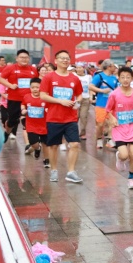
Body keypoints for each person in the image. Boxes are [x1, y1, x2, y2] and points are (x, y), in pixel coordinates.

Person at [39, 50, 84, 184]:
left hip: (70, 118)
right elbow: (43, 95)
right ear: (56, 61)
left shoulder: (74, 78)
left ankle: (71, 172)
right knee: (53, 146)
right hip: (54, 117)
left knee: (75, 144)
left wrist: (78, 102)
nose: (65, 60)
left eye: (67, 58)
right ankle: (54, 170)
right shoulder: (49, 77)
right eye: (62, 58)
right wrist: (60, 101)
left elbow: (79, 94)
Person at [106, 66, 133, 189]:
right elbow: (108, 110)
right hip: (119, 128)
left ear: (132, 78)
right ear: (118, 78)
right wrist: (112, 118)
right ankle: (119, 157)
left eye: (128, 77)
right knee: (125, 155)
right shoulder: (114, 94)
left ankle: (131, 178)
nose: (125, 80)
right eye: (122, 77)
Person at [0, 49, 37, 143]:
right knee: (12, 121)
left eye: (26, 57)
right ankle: (7, 132)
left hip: (29, 100)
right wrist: (10, 85)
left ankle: (31, 142)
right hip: (14, 99)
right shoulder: (10, 68)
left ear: (29, 59)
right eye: (21, 57)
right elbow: (0, 79)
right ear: (17, 58)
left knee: (28, 120)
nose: (24, 59)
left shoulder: (33, 70)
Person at [89, 60, 118, 149]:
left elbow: (116, 89)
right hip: (101, 104)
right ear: (109, 67)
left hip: (112, 105)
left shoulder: (114, 78)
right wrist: (102, 91)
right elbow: (91, 86)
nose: (115, 68)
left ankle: (109, 140)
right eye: (113, 66)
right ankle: (99, 139)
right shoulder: (99, 76)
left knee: (111, 123)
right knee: (100, 124)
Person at [20, 78, 48, 165]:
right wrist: (23, 110)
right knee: (33, 143)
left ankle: (46, 160)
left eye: (37, 87)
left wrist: (48, 110)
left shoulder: (45, 98)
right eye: (33, 87)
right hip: (31, 125)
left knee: (45, 144)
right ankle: (37, 148)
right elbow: (23, 105)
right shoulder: (27, 96)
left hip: (44, 125)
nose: (35, 89)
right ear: (30, 88)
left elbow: (51, 107)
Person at [75, 64, 92, 140]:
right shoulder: (74, 76)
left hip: (85, 98)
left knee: (83, 116)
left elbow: (91, 87)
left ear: (83, 68)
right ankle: (73, 133)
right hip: (76, 99)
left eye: (80, 68)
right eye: (77, 68)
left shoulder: (88, 77)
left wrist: (91, 96)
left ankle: (82, 133)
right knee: (75, 117)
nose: (78, 69)